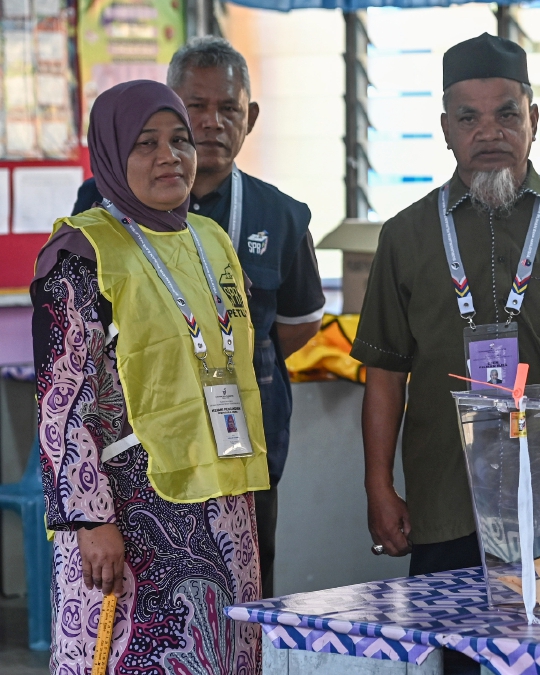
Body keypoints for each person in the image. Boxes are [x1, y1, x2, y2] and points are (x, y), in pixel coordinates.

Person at [352, 33, 540, 575]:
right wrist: (379, 489)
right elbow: (384, 374)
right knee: (455, 654)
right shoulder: (405, 235)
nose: (489, 133)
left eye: (506, 115)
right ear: (445, 130)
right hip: (445, 499)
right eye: (468, 118)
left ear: (533, 118)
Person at [72, 37, 324, 599]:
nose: (210, 123)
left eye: (228, 108)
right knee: (152, 610)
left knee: (245, 602)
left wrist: (220, 356)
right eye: (195, 108)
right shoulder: (101, 203)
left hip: (242, 447)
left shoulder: (280, 213)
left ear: (250, 117)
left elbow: (299, 324)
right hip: (143, 461)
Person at [32, 80, 267, 673]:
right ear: (111, 154)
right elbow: (63, 403)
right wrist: (91, 521)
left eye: (180, 140)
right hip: (131, 513)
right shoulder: (82, 254)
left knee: (228, 654)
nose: (171, 157)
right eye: (146, 144)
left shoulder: (210, 239)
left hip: (222, 501)